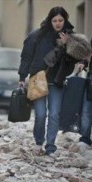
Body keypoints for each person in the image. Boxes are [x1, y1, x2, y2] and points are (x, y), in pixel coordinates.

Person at [18, 6, 88, 156]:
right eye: (54, 20)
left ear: (65, 20)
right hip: (38, 79)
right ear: (50, 21)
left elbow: (83, 54)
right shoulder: (37, 36)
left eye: (60, 20)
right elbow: (26, 57)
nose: (58, 23)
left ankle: (50, 146)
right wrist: (22, 77)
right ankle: (38, 142)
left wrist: (68, 43)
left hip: (57, 81)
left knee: (55, 114)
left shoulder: (70, 37)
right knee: (41, 114)